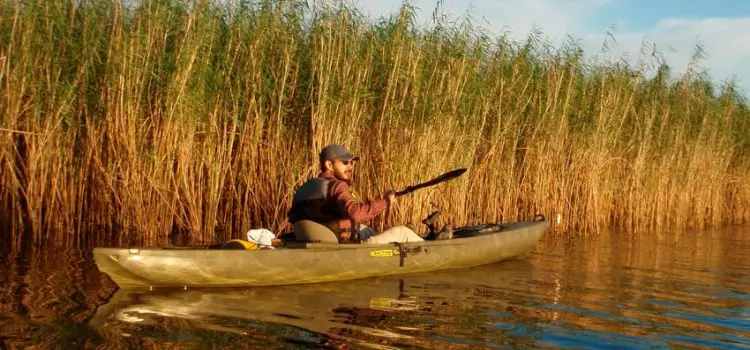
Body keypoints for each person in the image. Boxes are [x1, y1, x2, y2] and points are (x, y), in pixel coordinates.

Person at [288, 144, 447, 244]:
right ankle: (434, 247)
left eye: (351, 162)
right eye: (344, 163)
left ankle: (416, 237)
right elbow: (356, 213)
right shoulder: (337, 186)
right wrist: (386, 202)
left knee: (367, 230)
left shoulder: (305, 187)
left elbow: (293, 217)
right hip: (340, 245)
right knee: (402, 232)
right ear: (329, 165)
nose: (350, 166)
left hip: (318, 238)